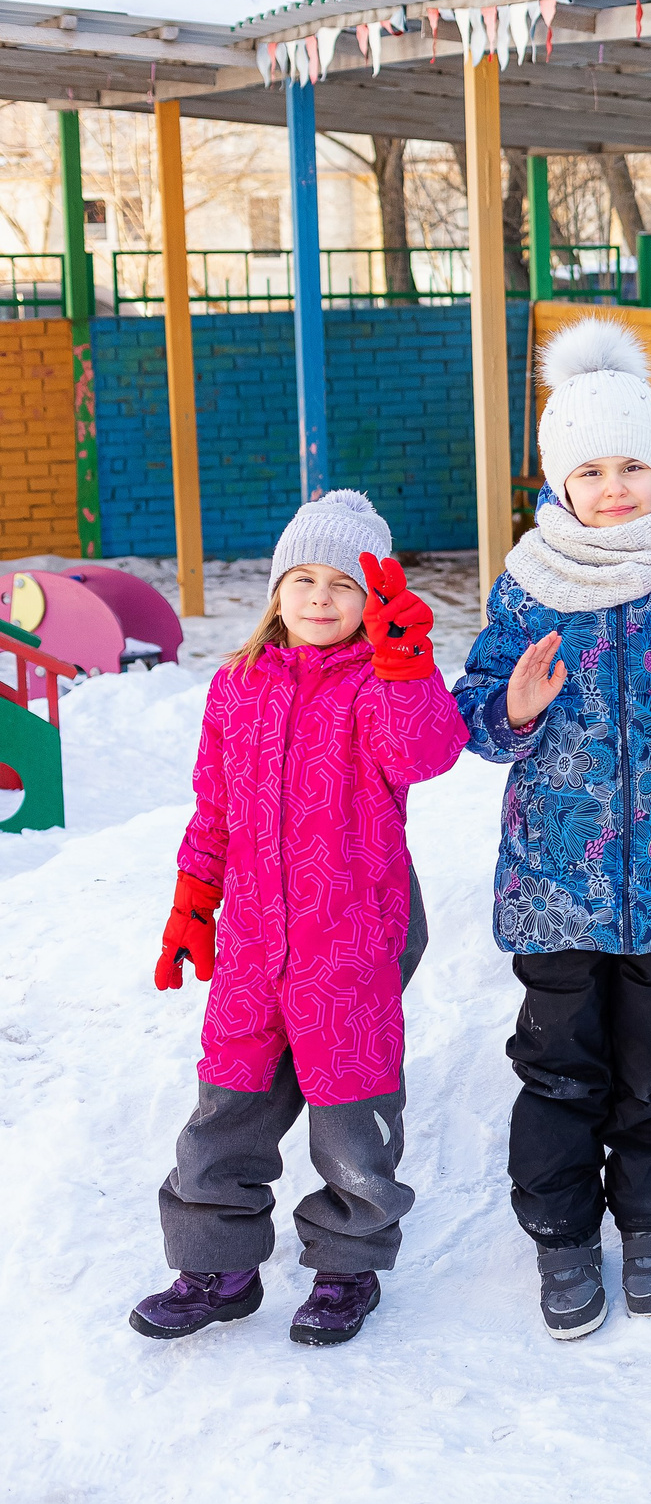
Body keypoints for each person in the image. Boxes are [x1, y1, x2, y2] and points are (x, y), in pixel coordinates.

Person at [457, 319, 651, 1340]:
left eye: (631, 466)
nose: (612, 487)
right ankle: (559, 1234)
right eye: (588, 470)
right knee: (558, 1067)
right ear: (557, 480)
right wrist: (510, 703)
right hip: (557, 882)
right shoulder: (528, 579)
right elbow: (474, 718)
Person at [130, 492, 465, 1348]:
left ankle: (346, 1268)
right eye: (303, 579)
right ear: (277, 589)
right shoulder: (237, 686)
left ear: (372, 598)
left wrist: (406, 665)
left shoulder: (379, 684)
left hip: (349, 936)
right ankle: (217, 1265)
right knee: (226, 1107)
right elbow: (213, 810)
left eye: (343, 585)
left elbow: (428, 751)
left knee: (351, 1116)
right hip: (250, 938)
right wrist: (190, 903)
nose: (321, 598)